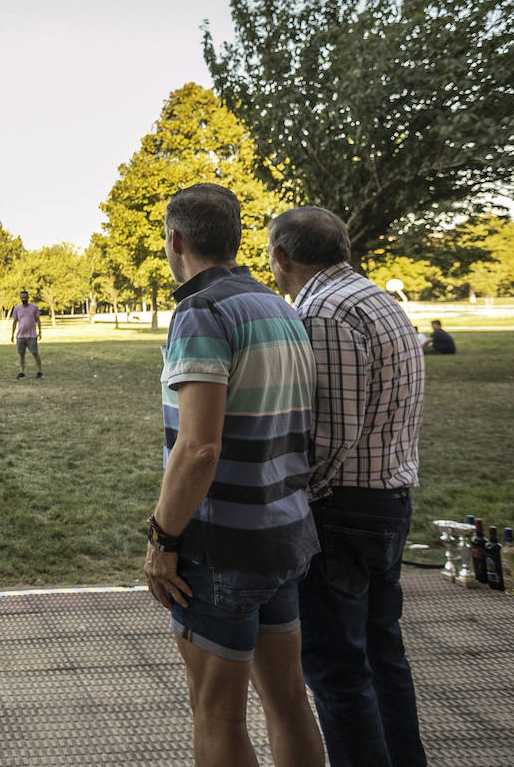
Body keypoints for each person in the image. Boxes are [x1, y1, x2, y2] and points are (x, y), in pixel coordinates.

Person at [145, 184, 323, 767]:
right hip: (284, 533)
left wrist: (162, 539)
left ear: (175, 240)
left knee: (216, 715)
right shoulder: (278, 307)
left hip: (221, 548)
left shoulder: (201, 311)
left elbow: (198, 448)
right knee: (290, 701)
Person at [268, 206, 428, 767]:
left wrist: (294, 497)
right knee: (383, 657)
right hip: (388, 498)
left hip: (344, 512)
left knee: (338, 672)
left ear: (282, 256)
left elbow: (330, 436)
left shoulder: (323, 312)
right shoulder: (377, 299)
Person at [8, 289, 43, 379]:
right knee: (21, 354)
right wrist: (12, 334)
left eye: (25, 297)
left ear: (28, 297)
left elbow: (38, 320)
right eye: (22, 297)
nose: (24, 298)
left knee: (35, 353)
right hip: (21, 336)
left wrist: (40, 331)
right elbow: (15, 322)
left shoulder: (34, 307)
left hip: (32, 336)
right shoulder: (17, 308)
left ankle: (40, 372)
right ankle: (22, 372)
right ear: (20, 298)